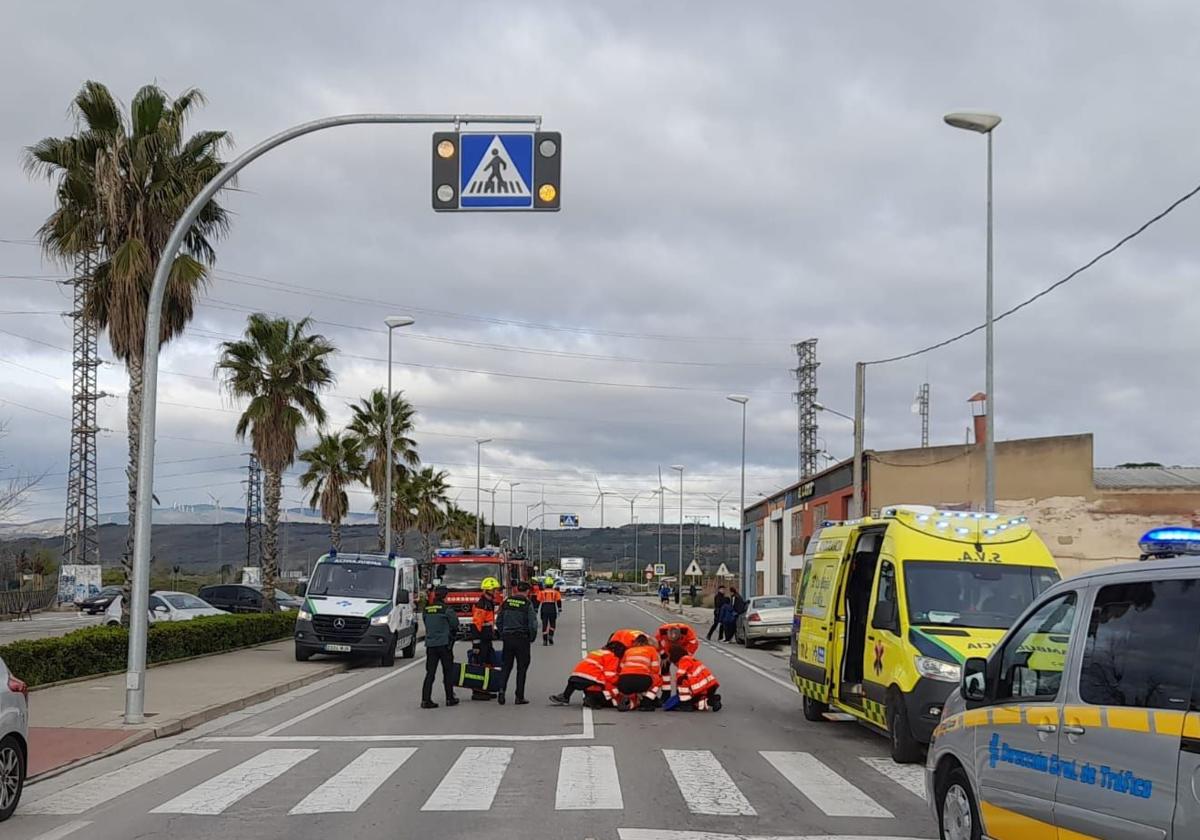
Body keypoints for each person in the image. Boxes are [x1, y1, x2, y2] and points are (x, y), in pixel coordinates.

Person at [496, 580, 538, 705]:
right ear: (527, 591)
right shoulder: (527, 603)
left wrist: (502, 633)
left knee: (506, 666)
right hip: (522, 639)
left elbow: (499, 621)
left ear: (516, 590)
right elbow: (533, 624)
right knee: (522, 668)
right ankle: (519, 696)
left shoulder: (507, 602)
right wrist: (531, 638)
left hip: (508, 638)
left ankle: (501, 691)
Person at [549, 640, 625, 707]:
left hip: (575, 675)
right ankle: (593, 699)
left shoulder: (596, 652)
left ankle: (565, 697)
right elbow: (609, 675)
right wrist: (620, 682)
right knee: (606, 686)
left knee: (572, 684)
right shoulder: (612, 656)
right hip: (592, 679)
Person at [420, 586, 460, 709]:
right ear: (445, 596)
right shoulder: (446, 609)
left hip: (431, 645)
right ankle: (449, 698)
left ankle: (425, 700)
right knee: (447, 672)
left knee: (430, 673)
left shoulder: (426, 609)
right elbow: (455, 624)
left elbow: (426, 623)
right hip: (444, 645)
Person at [664, 644, 722, 711]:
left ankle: (685, 705)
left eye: (669, 655)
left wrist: (680, 695)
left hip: (702, 687)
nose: (669, 658)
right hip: (709, 686)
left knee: (681, 680)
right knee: (696, 702)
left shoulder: (683, 660)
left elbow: (679, 676)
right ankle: (713, 700)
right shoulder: (690, 659)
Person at [471, 577, 501, 700]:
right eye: (494, 590)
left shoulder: (488, 603)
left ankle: (485, 689)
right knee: (479, 665)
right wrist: (476, 644)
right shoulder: (482, 604)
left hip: (487, 639)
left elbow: (488, 622)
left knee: (489, 663)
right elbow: (476, 625)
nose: (496, 592)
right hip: (481, 641)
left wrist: (494, 632)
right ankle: (478, 692)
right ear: (488, 590)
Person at [615, 636, 662, 711]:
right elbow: (655, 669)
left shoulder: (628, 651)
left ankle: (628, 700)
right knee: (657, 680)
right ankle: (647, 703)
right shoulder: (651, 650)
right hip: (641, 681)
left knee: (630, 686)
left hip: (623, 681)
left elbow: (621, 667)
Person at [539, 575, 562, 645]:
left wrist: (536, 608)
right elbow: (558, 601)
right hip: (552, 608)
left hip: (544, 607)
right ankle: (550, 636)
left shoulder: (542, 592)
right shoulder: (555, 592)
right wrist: (559, 608)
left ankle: (545, 640)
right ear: (552, 584)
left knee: (544, 624)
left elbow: (538, 600)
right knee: (552, 624)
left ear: (545, 584)